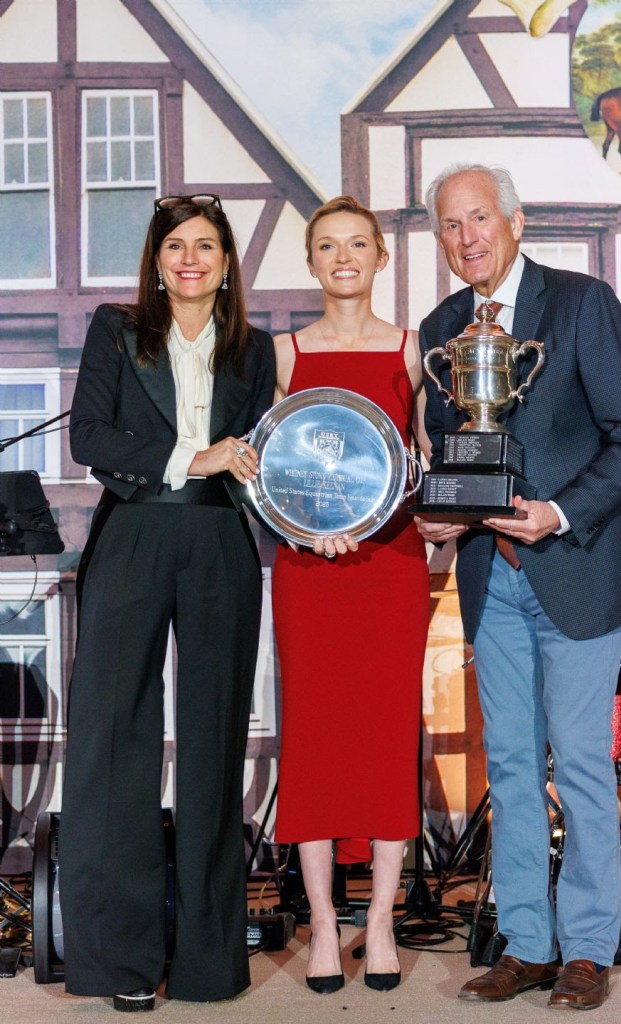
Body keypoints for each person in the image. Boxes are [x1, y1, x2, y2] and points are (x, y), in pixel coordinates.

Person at [415, 164, 621, 1010]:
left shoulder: (582, 303)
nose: (467, 238)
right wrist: (442, 515)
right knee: (513, 766)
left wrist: (557, 513)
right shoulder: (441, 327)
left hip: (576, 567)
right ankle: (526, 943)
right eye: (451, 225)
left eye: (479, 218)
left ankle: (587, 948)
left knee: (582, 764)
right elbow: (453, 451)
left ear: (515, 222)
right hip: (490, 577)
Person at [59, 194, 275, 1011]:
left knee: (215, 743)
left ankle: (207, 965)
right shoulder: (116, 330)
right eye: (175, 245)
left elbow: (259, 461)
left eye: (206, 246)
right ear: (155, 260)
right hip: (135, 530)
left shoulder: (253, 349)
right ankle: (119, 964)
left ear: (226, 263)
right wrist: (196, 455)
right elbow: (89, 437)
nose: (190, 259)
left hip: (219, 538)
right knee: (115, 741)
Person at [272, 196, 431, 994]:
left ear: (380, 257)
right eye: (328, 246)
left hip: (389, 565)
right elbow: (268, 469)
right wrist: (305, 529)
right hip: (308, 573)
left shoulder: (412, 350)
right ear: (310, 261)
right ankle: (324, 921)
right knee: (314, 737)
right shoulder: (281, 353)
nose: (343, 258)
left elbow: (423, 460)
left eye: (357, 244)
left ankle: (381, 923)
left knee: (385, 733)